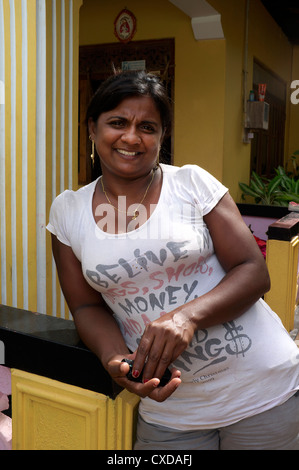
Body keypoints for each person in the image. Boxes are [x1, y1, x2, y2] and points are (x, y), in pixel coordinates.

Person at [47, 70, 299, 450]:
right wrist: (114, 358)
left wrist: (186, 316)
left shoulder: (191, 185)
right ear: (92, 129)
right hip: (169, 407)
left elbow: (253, 271)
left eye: (147, 126)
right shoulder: (68, 211)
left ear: (162, 137)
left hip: (261, 391)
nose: (132, 137)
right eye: (117, 122)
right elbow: (85, 305)